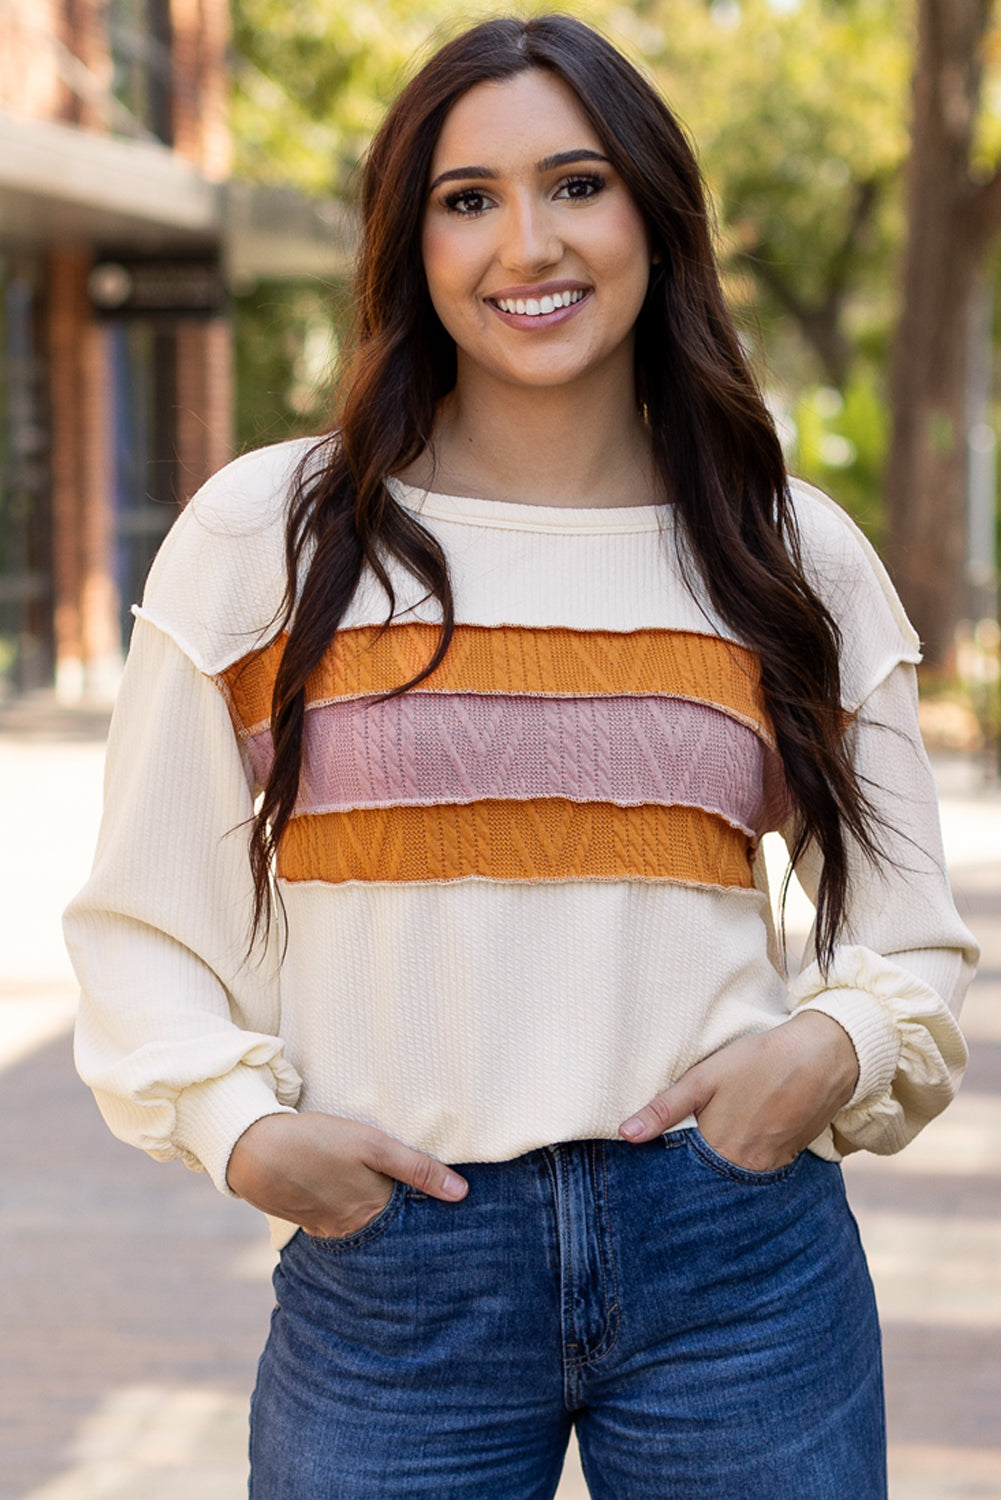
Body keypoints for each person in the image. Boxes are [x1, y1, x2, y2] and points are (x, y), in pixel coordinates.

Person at [65, 14, 978, 1499]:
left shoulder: (780, 548)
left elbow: (911, 935)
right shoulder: (270, 535)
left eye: (576, 183)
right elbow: (141, 923)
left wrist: (824, 1053)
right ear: (410, 241)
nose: (525, 244)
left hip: (733, 1267)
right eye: (466, 198)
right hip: (395, 1280)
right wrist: (244, 1134)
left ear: (652, 217)